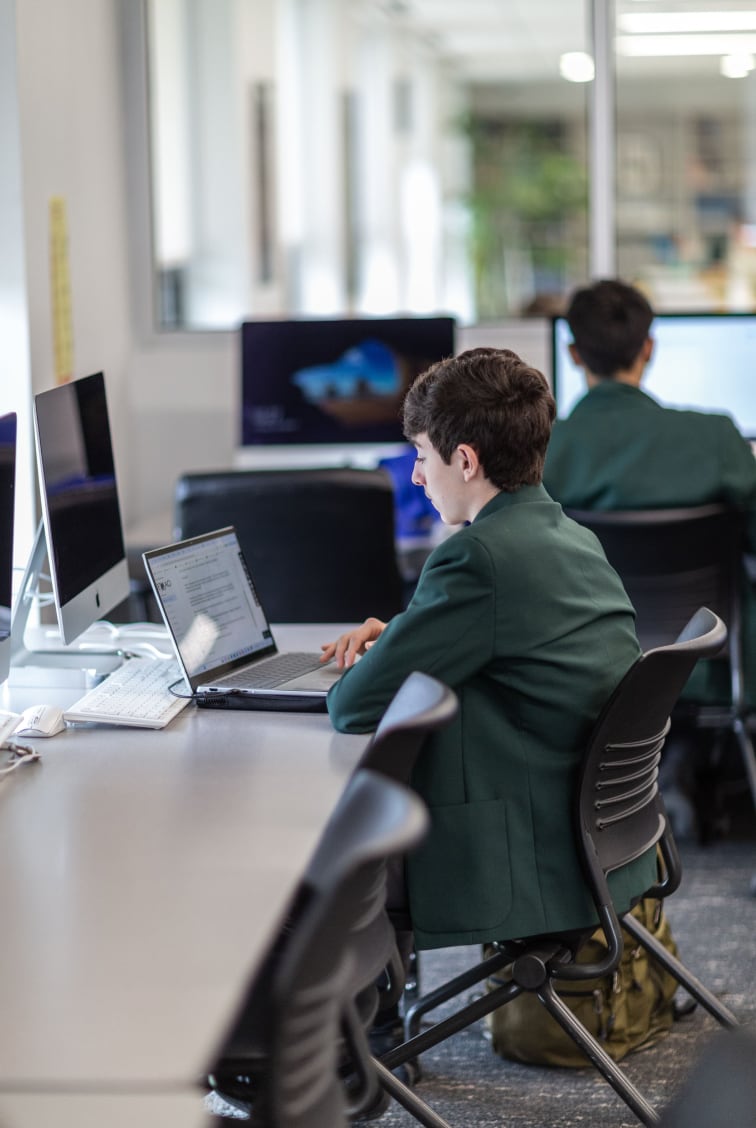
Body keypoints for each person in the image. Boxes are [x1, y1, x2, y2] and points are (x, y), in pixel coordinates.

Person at [322, 347, 657, 957]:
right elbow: (510, 639)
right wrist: (409, 632)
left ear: (466, 460)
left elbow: (352, 705)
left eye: (422, 456)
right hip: (608, 837)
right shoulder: (569, 535)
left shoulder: (476, 558)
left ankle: (357, 1032)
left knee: (316, 866)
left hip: (528, 857)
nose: (418, 476)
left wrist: (391, 648)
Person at [543, 278, 756, 834]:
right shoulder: (715, 436)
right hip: (707, 658)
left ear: (572, 354)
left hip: (586, 664)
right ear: (649, 349)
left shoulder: (543, 448)